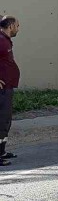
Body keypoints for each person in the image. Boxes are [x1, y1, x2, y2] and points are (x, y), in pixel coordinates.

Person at [0, 16, 20, 166]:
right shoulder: (0, 40)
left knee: (5, 120)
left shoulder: (5, 40)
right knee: (1, 120)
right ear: (11, 25)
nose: (18, 29)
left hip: (7, 87)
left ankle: (2, 151)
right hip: (2, 89)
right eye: (17, 26)